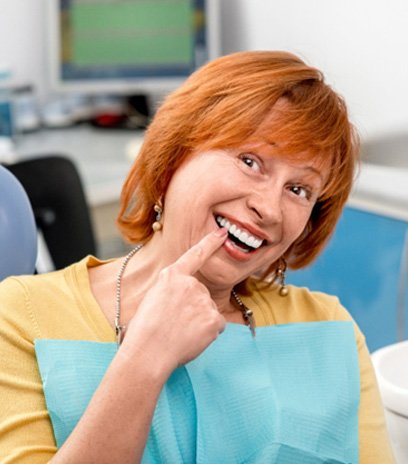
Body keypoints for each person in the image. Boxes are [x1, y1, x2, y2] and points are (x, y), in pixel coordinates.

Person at [0, 51, 395, 463]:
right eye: (250, 161)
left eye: (299, 190)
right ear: (173, 158)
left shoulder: (329, 329)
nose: (270, 209)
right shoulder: (21, 316)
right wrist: (145, 358)